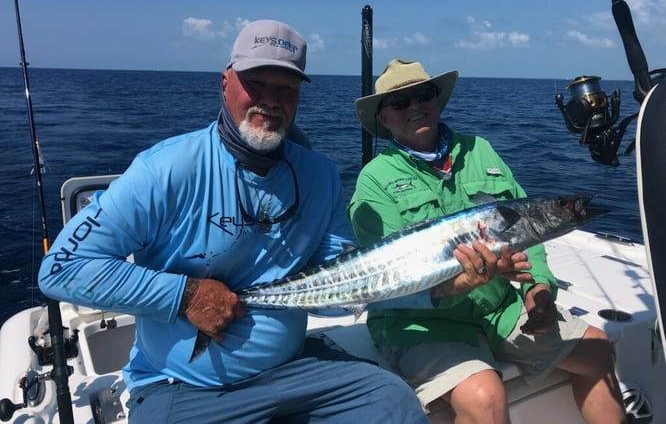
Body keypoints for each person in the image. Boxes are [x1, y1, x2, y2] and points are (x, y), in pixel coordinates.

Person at [38, 22, 428, 424]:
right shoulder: (164, 170)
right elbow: (61, 268)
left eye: (285, 90)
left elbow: (341, 284)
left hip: (297, 368)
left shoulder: (320, 175)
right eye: (255, 83)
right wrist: (186, 295)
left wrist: (434, 283)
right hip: (181, 384)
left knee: (396, 403)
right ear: (225, 83)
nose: (269, 101)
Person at [347, 59, 628, 424]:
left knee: (596, 350)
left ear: (438, 99)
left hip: (499, 307)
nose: (415, 106)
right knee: (484, 397)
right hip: (419, 322)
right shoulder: (374, 179)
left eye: (423, 94)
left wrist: (539, 288)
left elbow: (530, 232)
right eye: (400, 103)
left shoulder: (479, 150)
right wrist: (463, 282)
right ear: (383, 119)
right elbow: (388, 283)